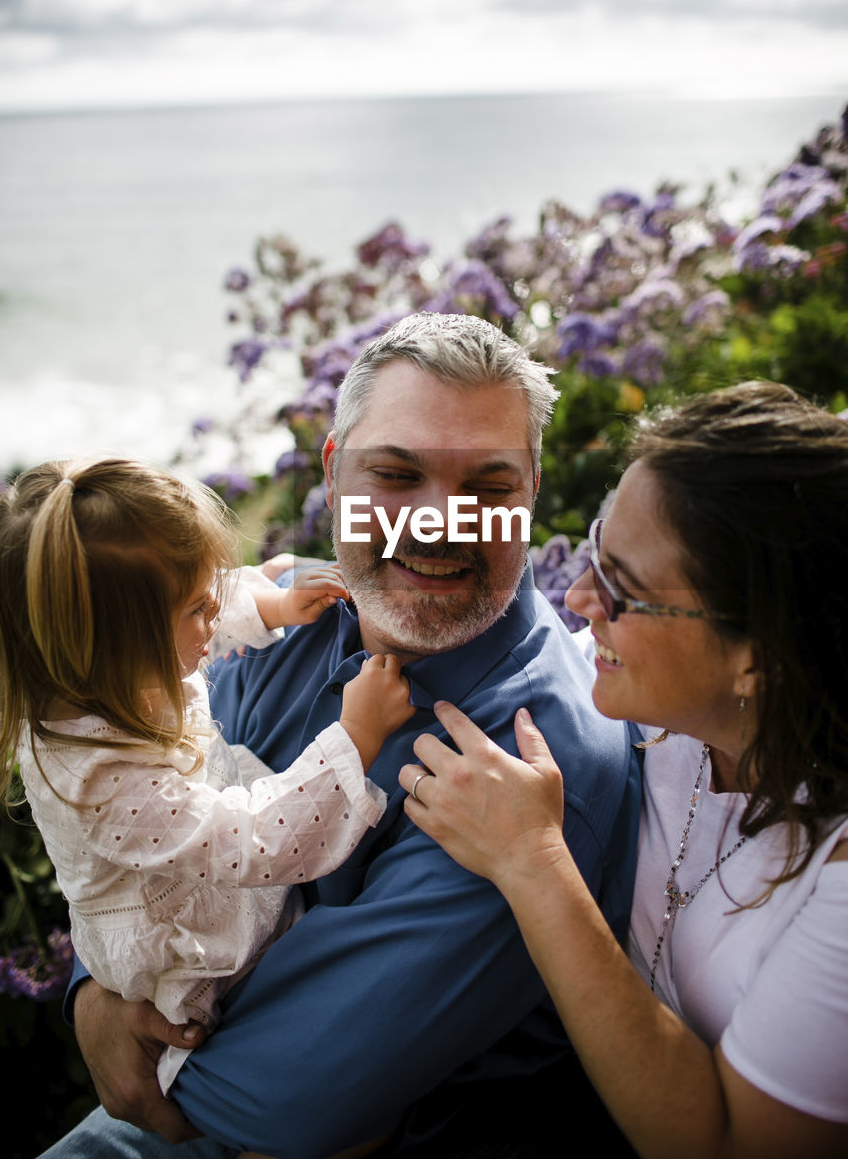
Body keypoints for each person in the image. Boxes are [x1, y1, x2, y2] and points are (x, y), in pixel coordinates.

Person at [46, 312, 642, 1158]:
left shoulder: (528, 764)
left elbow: (274, 1101)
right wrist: (93, 999)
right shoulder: (280, 620)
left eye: (490, 488)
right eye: (396, 475)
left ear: (531, 496)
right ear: (332, 474)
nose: (438, 523)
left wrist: (133, 1031)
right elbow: (145, 816)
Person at [400, 381, 848, 1159]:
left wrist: (534, 865)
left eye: (623, 589)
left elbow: (731, 1145)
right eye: (595, 552)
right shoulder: (654, 701)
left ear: (758, 657)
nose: (578, 598)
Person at [0, 457, 414, 1097]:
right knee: (328, 1089)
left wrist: (270, 603)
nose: (213, 609)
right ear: (112, 648)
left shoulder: (108, 664)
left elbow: (196, 595)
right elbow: (253, 840)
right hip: (192, 944)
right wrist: (356, 738)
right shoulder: (100, 782)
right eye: (196, 609)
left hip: (198, 849)